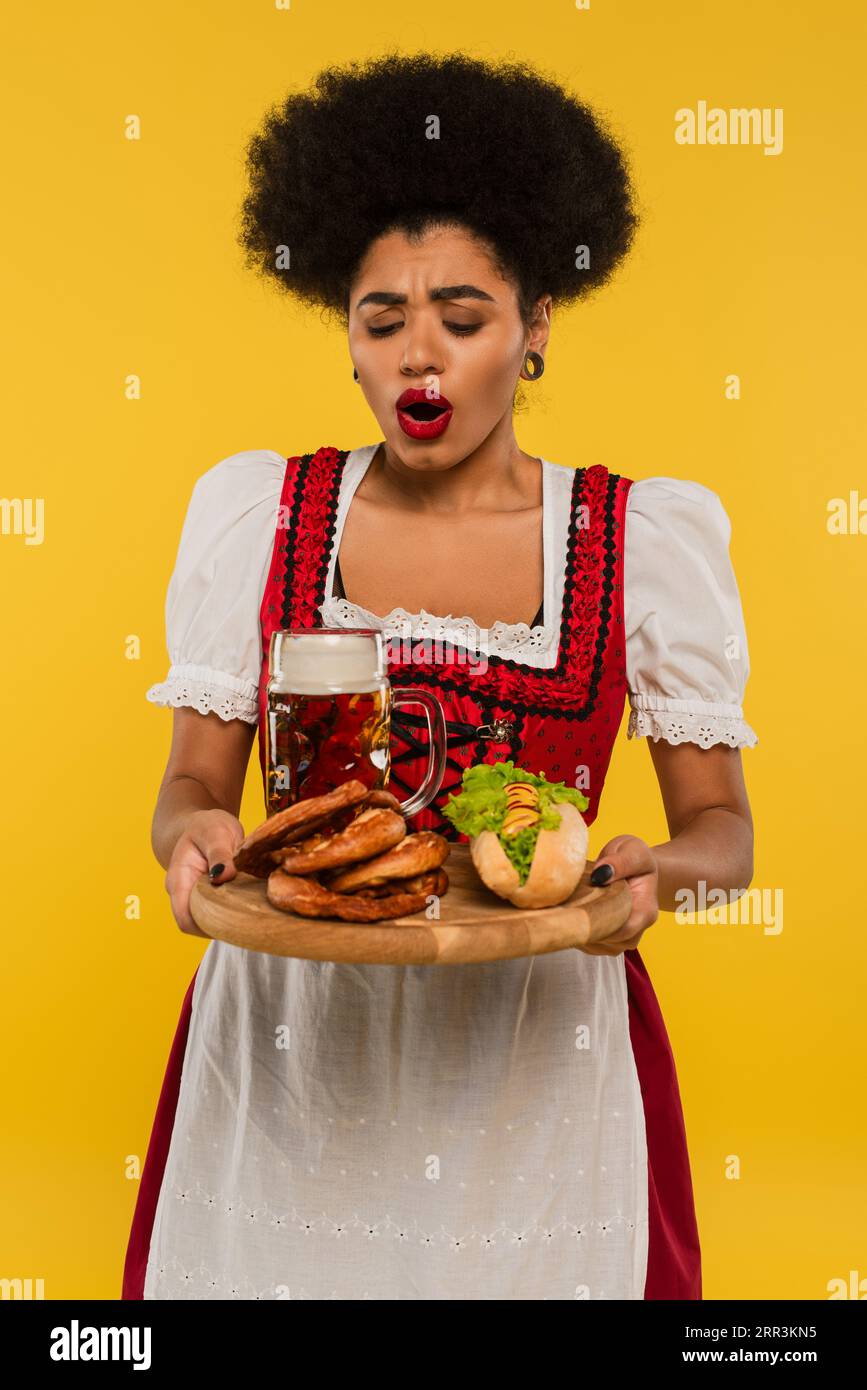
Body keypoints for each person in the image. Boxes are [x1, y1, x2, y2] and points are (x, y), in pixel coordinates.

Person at [122, 52, 757, 1301]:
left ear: (533, 329)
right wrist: (191, 830)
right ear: (346, 338)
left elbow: (727, 837)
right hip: (294, 1046)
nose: (422, 356)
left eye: (463, 320)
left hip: (536, 1069)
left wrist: (656, 875)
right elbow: (190, 784)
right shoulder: (261, 512)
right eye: (383, 321)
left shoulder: (641, 539)